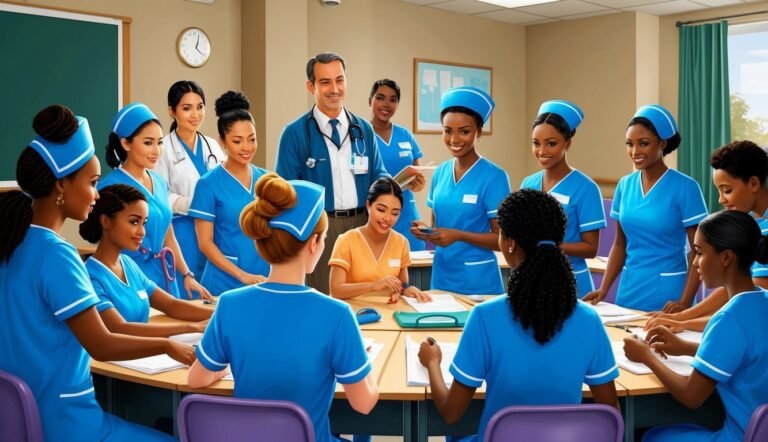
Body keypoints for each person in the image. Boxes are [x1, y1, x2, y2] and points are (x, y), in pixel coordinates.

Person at [0, 105, 193, 442]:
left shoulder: (12, 243)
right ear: (61, 184)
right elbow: (101, 344)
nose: (97, 194)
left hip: (18, 420)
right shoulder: (57, 255)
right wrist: (168, 345)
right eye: (92, 183)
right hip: (68, 423)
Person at [187, 173, 379, 442]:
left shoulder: (229, 305)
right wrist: (361, 360)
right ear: (314, 243)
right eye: (323, 238)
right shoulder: (337, 315)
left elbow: (196, 379)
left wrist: (230, 362)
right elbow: (364, 403)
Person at [418, 189, 618, 442]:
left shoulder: (484, 317)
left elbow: (451, 412)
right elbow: (610, 413)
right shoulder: (589, 320)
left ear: (509, 243)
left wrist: (432, 362)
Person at [624, 210, 768, 442]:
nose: (694, 262)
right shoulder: (762, 301)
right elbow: (749, 355)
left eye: (699, 253)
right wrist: (685, 347)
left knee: (652, 435)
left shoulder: (728, 318)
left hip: (738, 437)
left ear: (726, 258)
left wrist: (646, 356)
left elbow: (691, 396)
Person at [275, 52, 388, 294]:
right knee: (325, 298)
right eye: (325, 82)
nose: (334, 89)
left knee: (366, 297)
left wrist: (394, 188)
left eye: (339, 80)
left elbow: (379, 176)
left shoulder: (364, 130)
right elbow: (284, 193)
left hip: (362, 226)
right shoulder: (294, 134)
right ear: (311, 86)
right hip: (320, 230)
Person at [583, 105, 707, 312]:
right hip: (629, 287)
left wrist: (685, 301)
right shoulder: (625, 185)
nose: (635, 152)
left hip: (669, 292)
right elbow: (620, 244)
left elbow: (698, 252)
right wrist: (603, 289)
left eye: (643, 144)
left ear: (662, 144)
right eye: (629, 144)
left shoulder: (686, 187)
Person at [645, 140, 768, 332]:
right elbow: (733, 285)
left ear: (753, 183)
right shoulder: (751, 221)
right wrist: (681, 316)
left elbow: (747, 300)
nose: (721, 199)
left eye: (727, 190)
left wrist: (682, 321)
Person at [100, 102, 211, 300]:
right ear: (126, 144)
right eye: (148, 143)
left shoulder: (159, 182)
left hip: (165, 277)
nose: (156, 151)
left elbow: (169, 236)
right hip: (130, 279)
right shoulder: (109, 186)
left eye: (159, 143)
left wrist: (187, 275)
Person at [411, 87, 511, 295]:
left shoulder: (494, 177)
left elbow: (503, 240)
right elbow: (439, 228)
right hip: (442, 276)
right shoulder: (440, 173)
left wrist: (458, 235)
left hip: (478, 282)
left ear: (479, 132)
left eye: (464, 131)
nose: (454, 139)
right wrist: (427, 232)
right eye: (448, 131)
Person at [80, 184, 213, 336]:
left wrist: (219, 314)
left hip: (144, 349)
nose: (142, 232)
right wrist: (193, 328)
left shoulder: (128, 264)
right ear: (106, 221)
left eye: (144, 223)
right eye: (134, 222)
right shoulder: (90, 277)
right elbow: (119, 328)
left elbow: (171, 305)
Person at [521, 100, 605, 297]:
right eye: (536, 143)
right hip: (535, 279)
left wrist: (548, 247)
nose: (542, 151)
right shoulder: (528, 183)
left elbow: (591, 248)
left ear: (567, 143)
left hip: (571, 281)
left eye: (551, 143)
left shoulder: (586, 188)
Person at [189, 91, 270, 295]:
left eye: (252, 139)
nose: (247, 147)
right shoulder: (208, 184)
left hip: (264, 278)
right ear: (222, 141)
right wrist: (242, 275)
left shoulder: (268, 180)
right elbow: (205, 243)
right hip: (224, 283)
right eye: (237, 141)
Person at [156, 81, 226, 294]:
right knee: (188, 293)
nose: (195, 115)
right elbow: (159, 194)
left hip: (215, 230)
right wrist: (190, 204)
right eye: (187, 108)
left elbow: (224, 183)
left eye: (200, 107)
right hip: (183, 232)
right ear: (172, 111)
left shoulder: (213, 146)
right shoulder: (163, 149)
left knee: (213, 292)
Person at [329, 177, 431, 302]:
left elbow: (401, 285)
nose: (387, 218)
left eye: (395, 213)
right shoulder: (346, 240)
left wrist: (406, 290)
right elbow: (335, 290)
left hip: (387, 310)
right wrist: (373, 286)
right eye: (381, 210)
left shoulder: (401, 242)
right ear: (368, 205)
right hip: (356, 311)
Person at [368, 79, 427, 251]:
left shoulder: (405, 135)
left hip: (407, 213)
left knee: (413, 260)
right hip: (377, 215)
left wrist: (419, 184)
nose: (386, 104)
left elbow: (417, 173)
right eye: (380, 98)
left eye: (393, 100)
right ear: (370, 100)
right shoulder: (362, 135)